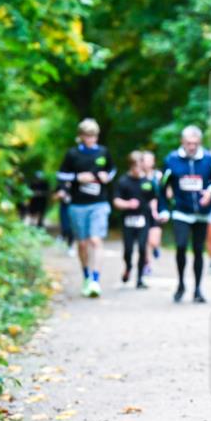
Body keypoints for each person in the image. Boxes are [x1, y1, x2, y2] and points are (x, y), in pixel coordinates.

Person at [158, 125, 211, 303]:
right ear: (182, 142)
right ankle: (180, 284)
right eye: (188, 143)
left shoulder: (209, 159)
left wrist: (210, 192)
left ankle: (198, 289)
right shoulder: (171, 160)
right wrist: (162, 208)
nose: (192, 147)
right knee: (180, 246)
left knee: (198, 250)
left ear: (200, 142)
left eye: (195, 143)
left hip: (202, 213)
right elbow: (161, 186)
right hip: (181, 211)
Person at [57, 118, 116, 298]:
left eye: (94, 136)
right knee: (82, 243)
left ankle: (95, 280)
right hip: (77, 204)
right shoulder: (73, 154)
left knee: (96, 240)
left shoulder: (103, 152)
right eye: (88, 136)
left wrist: (107, 176)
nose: (91, 139)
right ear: (81, 136)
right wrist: (77, 178)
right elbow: (61, 174)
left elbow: (112, 170)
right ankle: (86, 276)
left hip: (99, 203)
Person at [113, 151, 162, 289]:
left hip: (143, 219)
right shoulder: (123, 181)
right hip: (128, 220)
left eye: (139, 165)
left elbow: (153, 198)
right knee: (128, 249)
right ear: (130, 166)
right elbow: (116, 201)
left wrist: (154, 212)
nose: (137, 168)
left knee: (142, 248)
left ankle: (140, 279)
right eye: (134, 166)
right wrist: (127, 204)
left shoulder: (147, 182)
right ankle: (128, 267)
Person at [142, 151, 163, 276]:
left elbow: (165, 191)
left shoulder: (158, 175)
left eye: (149, 160)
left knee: (153, 241)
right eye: (144, 160)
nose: (146, 163)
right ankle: (147, 264)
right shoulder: (138, 176)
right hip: (143, 210)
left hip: (157, 209)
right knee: (145, 240)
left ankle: (156, 247)